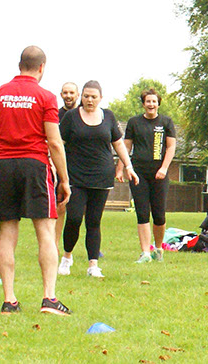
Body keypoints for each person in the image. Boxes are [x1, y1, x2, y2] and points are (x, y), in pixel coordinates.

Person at [0, 46, 72, 315]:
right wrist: (64, 179)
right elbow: (54, 141)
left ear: (20, 64)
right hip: (35, 165)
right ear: (42, 67)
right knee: (46, 231)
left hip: (3, 166)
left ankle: (10, 301)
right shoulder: (45, 97)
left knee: (7, 233)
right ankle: (49, 299)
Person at [57, 81, 138, 278]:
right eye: (86, 96)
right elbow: (58, 144)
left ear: (100, 98)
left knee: (94, 221)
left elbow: (119, 144)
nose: (90, 100)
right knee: (74, 218)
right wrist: (56, 169)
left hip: (101, 176)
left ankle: (93, 265)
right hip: (75, 176)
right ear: (81, 97)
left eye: (93, 96)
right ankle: (67, 258)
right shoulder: (70, 117)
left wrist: (129, 167)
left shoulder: (108, 116)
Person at [117, 88, 176, 263]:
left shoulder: (166, 122)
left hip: (159, 174)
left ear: (158, 103)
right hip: (138, 173)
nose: (151, 104)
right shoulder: (134, 122)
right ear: (143, 104)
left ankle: (158, 249)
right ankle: (145, 253)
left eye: (154, 101)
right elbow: (126, 147)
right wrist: (120, 168)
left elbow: (171, 147)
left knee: (159, 215)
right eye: (148, 101)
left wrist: (164, 168)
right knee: (142, 212)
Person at [53, 82, 80, 248]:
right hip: (60, 165)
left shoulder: (84, 114)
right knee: (60, 206)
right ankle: (54, 245)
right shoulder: (55, 115)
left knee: (79, 212)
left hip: (80, 166)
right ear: (61, 95)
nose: (68, 95)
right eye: (65, 93)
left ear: (77, 95)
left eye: (72, 92)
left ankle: (91, 247)